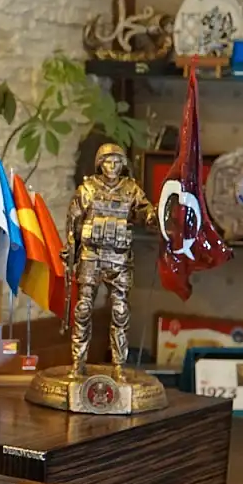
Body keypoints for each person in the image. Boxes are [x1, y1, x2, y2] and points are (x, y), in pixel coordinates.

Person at [64, 143, 157, 379]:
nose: (112, 166)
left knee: (120, 311)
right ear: (100, 164)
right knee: (83, 309)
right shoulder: (87, 189)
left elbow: (145, 210)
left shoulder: (131, 189)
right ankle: (78, 362)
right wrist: (70, 248)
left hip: (119, 257)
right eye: (108, 161)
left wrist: (153, 215)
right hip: (91, 256)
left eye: (117, 162)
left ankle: (119, 365)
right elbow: (74, 222)